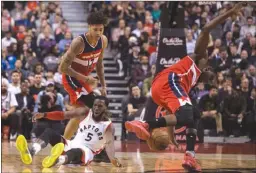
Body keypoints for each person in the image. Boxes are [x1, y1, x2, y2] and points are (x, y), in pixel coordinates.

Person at [125, 2, 245, 172]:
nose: (212, 77)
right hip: (168, 80)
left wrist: (172, 136)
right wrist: (230, 12)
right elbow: (206, 29)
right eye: (212, 73)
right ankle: (147, 124)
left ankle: (190, 155)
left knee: (194, 114)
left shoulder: (188, 84)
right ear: (207, 66)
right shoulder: (199, 58)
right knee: (188, 112)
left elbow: (170, 112)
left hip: (161, 91)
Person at [16, 96, 122, 168]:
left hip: (87, 152)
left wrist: (112, 158)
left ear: (106, 108)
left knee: (75, 151)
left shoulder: (108, 126)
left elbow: (109, 144)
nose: (96, 108)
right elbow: (64, 115)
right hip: (69, 144)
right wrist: (44, 114)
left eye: (100, 106)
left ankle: (56, 160)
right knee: (49, 132)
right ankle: (31, 151)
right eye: (95, 105)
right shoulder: (85, 112)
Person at [58, 11, 108, 140]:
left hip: (83, 80)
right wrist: (86, 78)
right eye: (95, 29)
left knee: (78, 115)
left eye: (101, 29)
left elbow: (99, 65)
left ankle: (62, 145)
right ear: (89, 27)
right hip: (71, 78)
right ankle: (100, 149)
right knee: (98, 108)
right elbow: (62, 68)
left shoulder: (103, 41)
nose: (98, 33)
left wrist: (103, 85)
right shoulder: (79, 43)